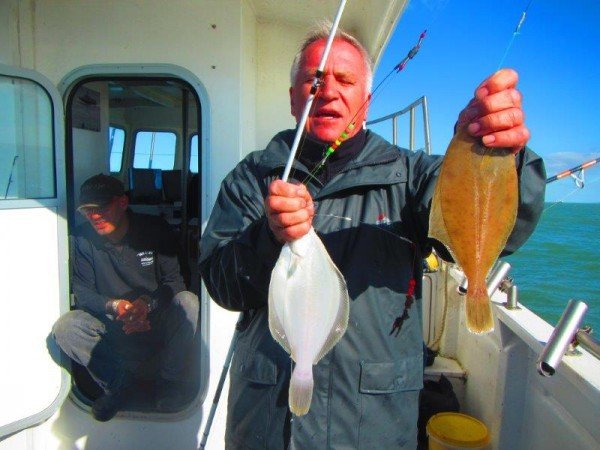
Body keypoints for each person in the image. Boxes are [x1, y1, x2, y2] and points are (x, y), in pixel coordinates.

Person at [199, 26, 545, 449]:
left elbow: (491, 224)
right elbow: (220, 281)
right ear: (293, 98)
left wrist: (500, 154)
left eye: (345, 81)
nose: (328, 92)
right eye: (314, 79)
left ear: (367, 98)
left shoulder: (412, 177)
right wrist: (268, 238)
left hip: (370, 428)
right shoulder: (252, 178)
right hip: (265, 425)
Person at [52, 174, 199, 422]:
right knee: (66, 327)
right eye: (88, 210)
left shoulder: (155, 230)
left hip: (156, 319)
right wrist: (115, 306)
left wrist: (147, 305)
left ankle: (170, 383)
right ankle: (118, 385)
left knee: (189, 303)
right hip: (112, 325)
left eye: (101, 208)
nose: (94, 215)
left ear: (122, 203)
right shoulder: (81, 238)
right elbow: (84, 292)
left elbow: (174, 283)